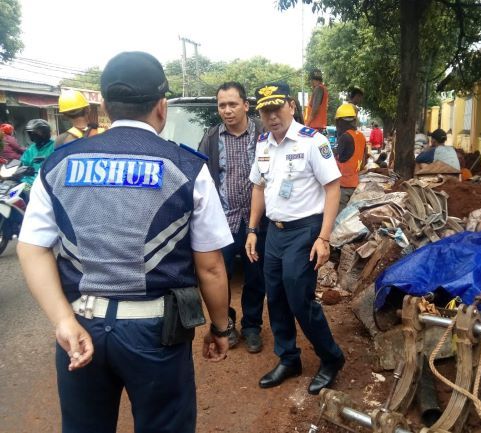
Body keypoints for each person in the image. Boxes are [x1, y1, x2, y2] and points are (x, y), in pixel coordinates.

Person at [17, 51, 232, 433]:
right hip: (156, 335)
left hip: (81, 325)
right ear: (162, 106)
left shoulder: (59, 163)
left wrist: (63, 321)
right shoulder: (187, 168)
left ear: (103, 106)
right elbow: (211, 267)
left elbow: (31, 247)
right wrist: (219, 328)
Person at [246, 82, 345, 395]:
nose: (272, 116)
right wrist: (252, 229)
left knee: (299, 298)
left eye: (277, 108)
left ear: (291, 105)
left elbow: (333, 188)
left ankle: (331, 357)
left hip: (305, 231)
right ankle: (289, 358)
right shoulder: (263, 143)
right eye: (265, 111)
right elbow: (258, 187)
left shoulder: (312, 141)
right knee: (275, 296)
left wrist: (324, 238)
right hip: (274, 232)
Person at [198, 81, 267, 353]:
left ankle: (252, 326)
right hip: (223, 221)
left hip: (256, 221)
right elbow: (202, 177)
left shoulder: (262, 133)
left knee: (255, 276)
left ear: (246, 105)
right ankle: (226, 323)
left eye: (232, 104)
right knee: (220, 276)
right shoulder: (211, 138)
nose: (227, 110)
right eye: (222, 105)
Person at [334, 103, 367, 213]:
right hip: (355, 183)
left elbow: (339, 158)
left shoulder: (345, 137)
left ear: (340, 122)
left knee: (339, 216)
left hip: (343, 185)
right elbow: (364, 158)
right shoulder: (361, 136)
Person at [20, 119, 55, 186]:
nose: (32, 136)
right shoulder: (31, 149)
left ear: (45, 133)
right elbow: (23, 163)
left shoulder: (55, 146)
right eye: (30, 134)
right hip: (28, 183)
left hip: (46, 183)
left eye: (34, 134)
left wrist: (46, 160)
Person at [305, 69, 328, 133]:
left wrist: (307, 124)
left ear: (312, 80)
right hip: (318, 126)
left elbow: (315, 109)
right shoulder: (323, 89)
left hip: (314, 126)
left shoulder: (318, 89)